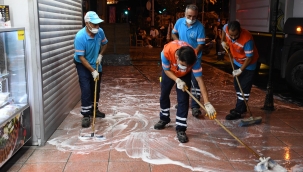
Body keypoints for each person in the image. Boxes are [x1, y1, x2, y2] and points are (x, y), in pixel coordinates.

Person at [154, 40, 216, 143]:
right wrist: (177, 80)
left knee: (183, 100)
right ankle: (164, 118)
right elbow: (166, 70)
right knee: (164, 94)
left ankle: (181, 128)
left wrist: (207, 103)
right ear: (177, 58)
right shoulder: (166, 52)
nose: (185, 67)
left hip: (185, 76)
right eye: (183, 65)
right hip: (169, 72)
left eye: (188, 66)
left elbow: (200, 80)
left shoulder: (194, 58)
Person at [74, 11, 108, 128]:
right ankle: (86, 115)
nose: (97, 27)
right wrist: (92, 71)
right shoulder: (80, 36)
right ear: (87, 23)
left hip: (96, 62)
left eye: (98, 24)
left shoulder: (100, 32)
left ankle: (94, 109)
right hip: (82, 64)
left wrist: (100, 55)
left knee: (96, 88)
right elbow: (81, 57)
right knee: (86, 88)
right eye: (94, 24)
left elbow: (105, 44)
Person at [171, 4, 205, 118]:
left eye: (194, 17)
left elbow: (200, 45)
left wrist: (194, 53)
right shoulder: (179, 22)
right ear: (185, 14)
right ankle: (182, 102)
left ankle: (195, 106)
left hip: (194, 59)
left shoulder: (200, 27)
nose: (191, 19)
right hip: (182, 59)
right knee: (182, 81)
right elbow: (173, 33)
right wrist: (179, 43)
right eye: (189, 16)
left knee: (195, 83)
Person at [221, 21, 259, 120]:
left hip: (248, 65)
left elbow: (249, 58)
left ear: (240, 31)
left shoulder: (247, 39)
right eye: (231, 35)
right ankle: (242, 107)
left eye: (236, 35)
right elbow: (223, 29)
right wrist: (222, 41)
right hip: (237, 61)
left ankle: (238, 111)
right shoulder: (227, 28)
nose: (233, 38)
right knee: (237, 85)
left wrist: (240, 70)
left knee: (244, 89)